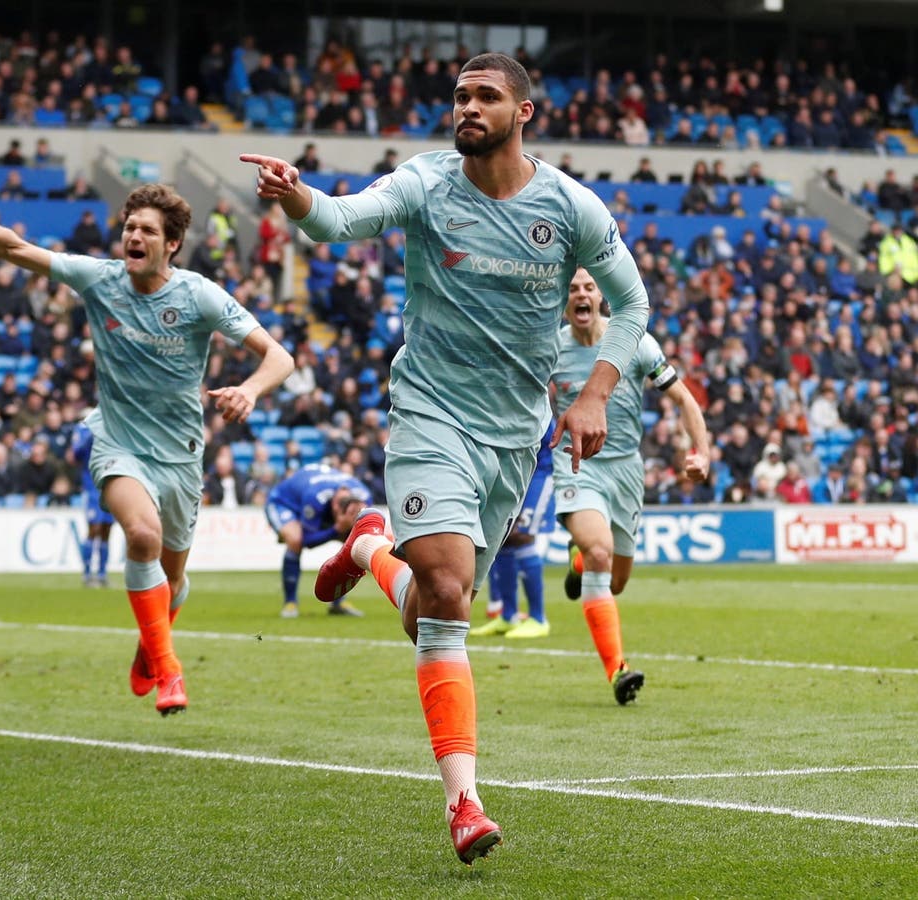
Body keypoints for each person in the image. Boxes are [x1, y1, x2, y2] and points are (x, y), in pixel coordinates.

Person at [240, 51, 649, 864]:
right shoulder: (426, 181)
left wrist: (596, 391)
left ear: (523, 112)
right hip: (429, 413)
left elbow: (632, 303)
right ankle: (464, 800)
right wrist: (298, 198)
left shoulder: (569, 206)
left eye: (485, 97)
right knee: (451, 584)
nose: (467, 107)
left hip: (514, 435)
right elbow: (343, 218)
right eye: (460, 96)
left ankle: (364, 544)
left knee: (435, 604)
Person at [0, 184, 294, 717]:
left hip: (182, 456)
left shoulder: (198, 295)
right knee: (141, 535)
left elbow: (278, 356)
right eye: (129, 227)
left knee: (173, 578)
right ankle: (169, 669)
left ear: (172, 245)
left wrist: (249, 389)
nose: (134, 236)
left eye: (147, 229)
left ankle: (151, 648)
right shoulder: (100, 279)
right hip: (118, 443)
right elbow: (15, 250)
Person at [553, 267, 708, 705]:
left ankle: (579, 562)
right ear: (564, 301)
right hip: (576, 465)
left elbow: (683, 398)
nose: (581, 295)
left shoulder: (634, 342)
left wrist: (700, 450)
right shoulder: (551, 349)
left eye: (588, 287)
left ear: (601, 295)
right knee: (600, 550)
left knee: (614, 580)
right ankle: (617, 670)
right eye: (572, 289)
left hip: (626, 471)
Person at [469, 419, 556, 639]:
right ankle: (508, 616)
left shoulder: (532, 402)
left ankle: (538, 618)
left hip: (539, 472)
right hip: (513, 468)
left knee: (522, 536)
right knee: (504, 538)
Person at [264, 463, 372, 619]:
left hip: (313, 501)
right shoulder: (315, 498)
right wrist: (336, 529)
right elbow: (307, 541)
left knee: (352, 541)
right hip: (284, 503)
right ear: (334, 505)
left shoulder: (364, 497)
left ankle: (338, 602)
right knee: (295, 540)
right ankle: (290, 602)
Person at [71, 413, 114, 587]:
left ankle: (102, 573)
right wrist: (91, 435)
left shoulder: (113, 427)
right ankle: (87, 572)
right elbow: (76, 453)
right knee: (93, 528)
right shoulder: (82, 429)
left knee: (106, 529)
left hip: (110, 483)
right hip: (91, 485)